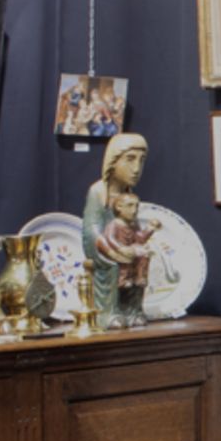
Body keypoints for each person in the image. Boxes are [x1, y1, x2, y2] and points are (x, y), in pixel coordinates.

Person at [81, 133, 148, 321]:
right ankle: (109, 314)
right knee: (116, 265)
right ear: (113, 160)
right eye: (130, 160)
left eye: (141, 161)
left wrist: (141, 241)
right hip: (104, 253)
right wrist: (113, 251)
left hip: (123, 249)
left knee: (141, 259)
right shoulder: (98, 191)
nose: (136, 169)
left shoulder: (129, 196)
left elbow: (134, 230)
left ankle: (133, 311)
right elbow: (91, 230)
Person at [96, 191, 158, 328]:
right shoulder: (115, 224)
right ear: (119, 207)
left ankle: (140, 278)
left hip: (132, 252)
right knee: (125, 260)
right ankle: (123, 280)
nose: (134, 210)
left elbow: (140, 238)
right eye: (130, 206)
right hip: (121, 253)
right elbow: (110, 239)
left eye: (136, 206)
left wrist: (150, 229)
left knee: (144, 252)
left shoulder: (133, 224)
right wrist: (120, 248)